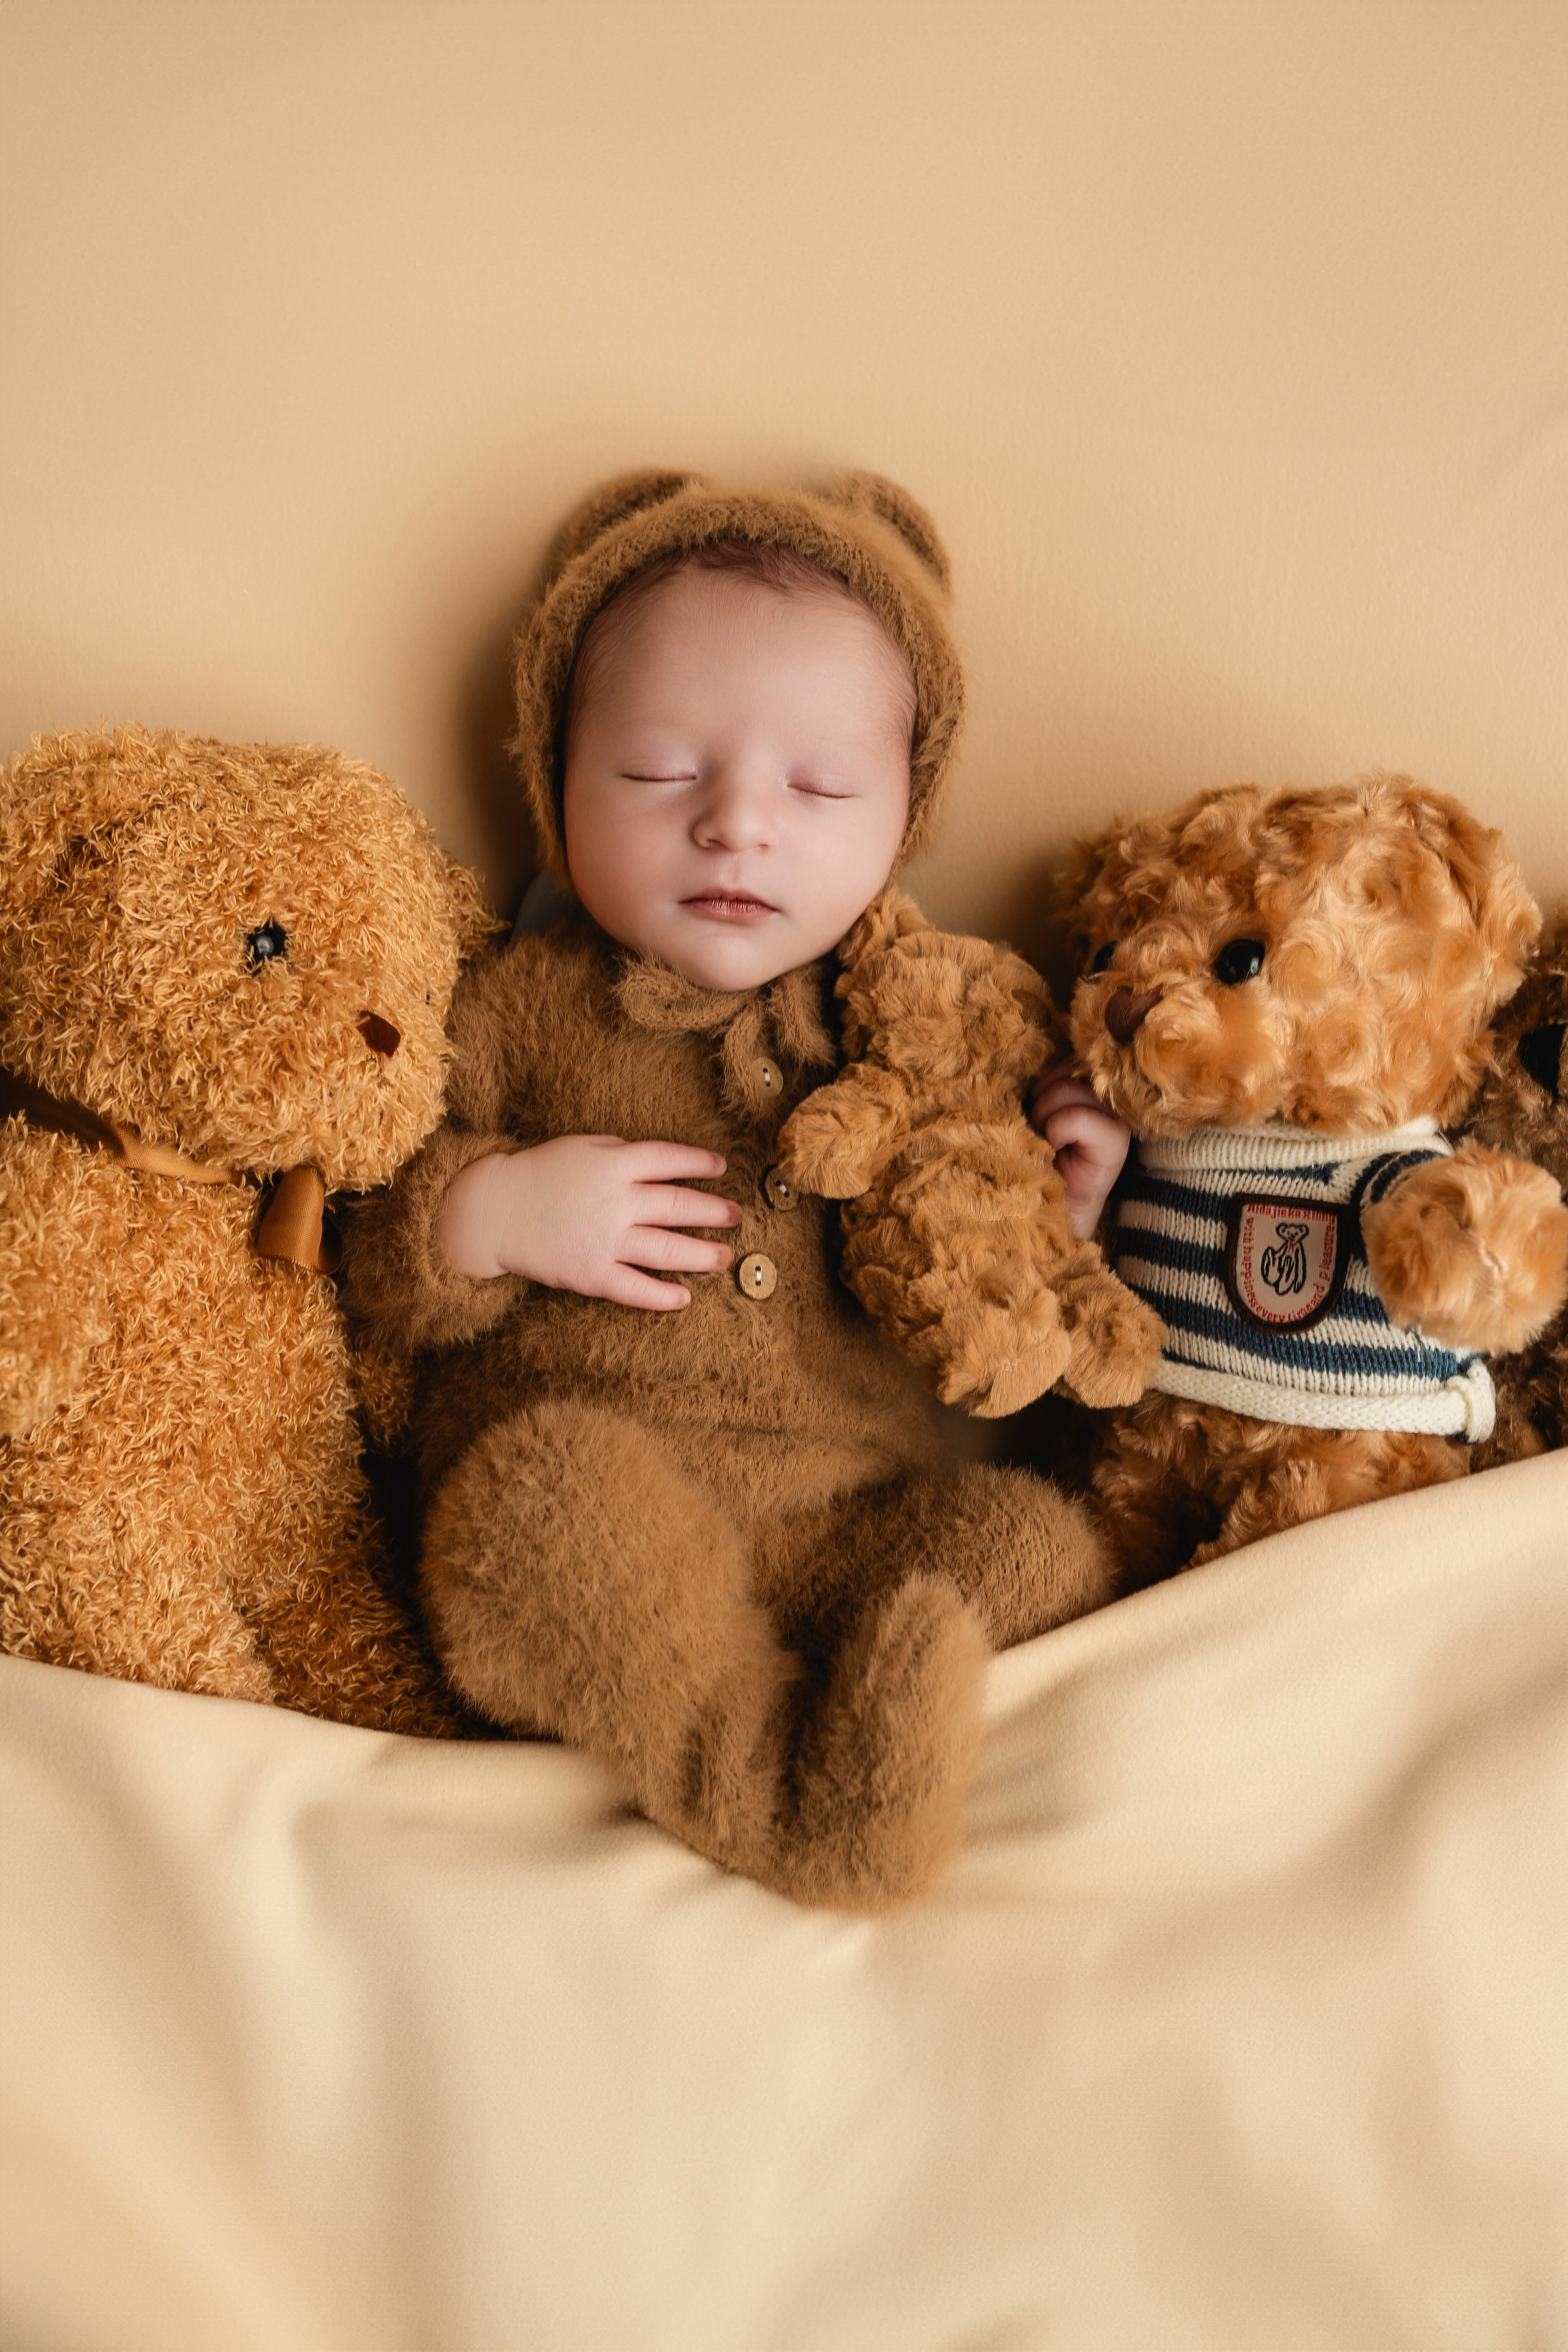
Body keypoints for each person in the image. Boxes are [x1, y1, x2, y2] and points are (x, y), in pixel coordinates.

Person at [343, 470, 1131, 1906]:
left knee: (1031, 1548)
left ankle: (825, 1703)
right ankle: (783, 1794)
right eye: (656, 772)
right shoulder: (516, 1004)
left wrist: (1057, 1226)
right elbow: (364, 1258)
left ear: (901, 819)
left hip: (839, 1531)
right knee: (536, 1509)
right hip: (609, 1516)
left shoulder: (919, 1043)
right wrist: (491, 1212)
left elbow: (977, 1357)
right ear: (553, 777)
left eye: (818, 788)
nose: (735, 824)